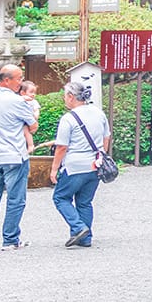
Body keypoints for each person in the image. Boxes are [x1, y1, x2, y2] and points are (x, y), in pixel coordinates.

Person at [0, 64, 38, 250]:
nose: (21, 83)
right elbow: (33, 125)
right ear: (7, 80)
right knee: (15, 199)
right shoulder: (17, 101)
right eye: (19, 79)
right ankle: (10, 239)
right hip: (14, 156)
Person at [49, 79, 112, 248]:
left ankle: (78, 228)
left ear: (71, 96)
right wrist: (101, 155)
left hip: (75, 166)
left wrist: (54, 169)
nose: (64, 99)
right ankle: (85, 238)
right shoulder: (99, 113)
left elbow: (62, 147)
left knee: (60, 197)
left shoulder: (68, 118)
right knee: (84, 201)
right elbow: (106, 137)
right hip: (95, 164)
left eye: (65, 96)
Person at [18, 80, 39, 158]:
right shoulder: (19, 100)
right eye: (31, 92)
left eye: (34, 92)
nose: (33, 94)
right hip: (21, 121)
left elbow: (37, 110)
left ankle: (30, 145)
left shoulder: (34, 102)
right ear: (23, 93)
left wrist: (35, 117)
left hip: (29, 121)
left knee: (26, 131)